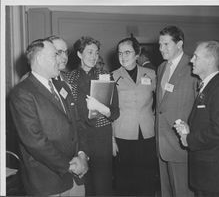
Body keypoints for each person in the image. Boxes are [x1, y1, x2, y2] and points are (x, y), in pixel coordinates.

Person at [9, 39, 88, 196]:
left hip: (76, 178)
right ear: (39, 59)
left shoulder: (62, 86)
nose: (60, 60)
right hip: (48, 182)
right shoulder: (22, 93)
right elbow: (35, 141)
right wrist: (70, 166)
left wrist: (82, 154)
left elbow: (76, 123)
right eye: (55, 55)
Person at [174, 40, 219, 197]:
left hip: (215, 175)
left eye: (196, 57)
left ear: (210, 60)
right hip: (206, 173)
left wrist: (189, 139)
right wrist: (189, 129)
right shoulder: (209, 86)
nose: (191, 60)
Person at [64, 36, 120, 195]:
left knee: (102, 185)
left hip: (101, 137)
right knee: (83, 185)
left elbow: (115, 112)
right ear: (80, 54)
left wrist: (103, 109)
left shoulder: (106, 77)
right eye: (89, 52)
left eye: (96, 52)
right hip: (79, 138)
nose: (94, 56)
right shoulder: (69, 78)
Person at [112, 37, 157, 196]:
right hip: (123, 133)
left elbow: (161, 104)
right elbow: (109, 111)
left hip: (147, 133)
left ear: (137, 54)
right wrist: (111, 140)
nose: (123, 56)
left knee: (147, 178)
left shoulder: (152, 74)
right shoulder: (113, 76)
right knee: (125, 180)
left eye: (127, 52)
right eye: (120, 53)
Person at [156, 25, 197, 197]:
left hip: (181, 145)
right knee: (167, 192)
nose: (161, 49)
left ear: (179, 44)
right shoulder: (161, 68)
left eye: (166, 44)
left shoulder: (193, 67)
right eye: (160, 44)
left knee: (182, 192)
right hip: (161, 143)